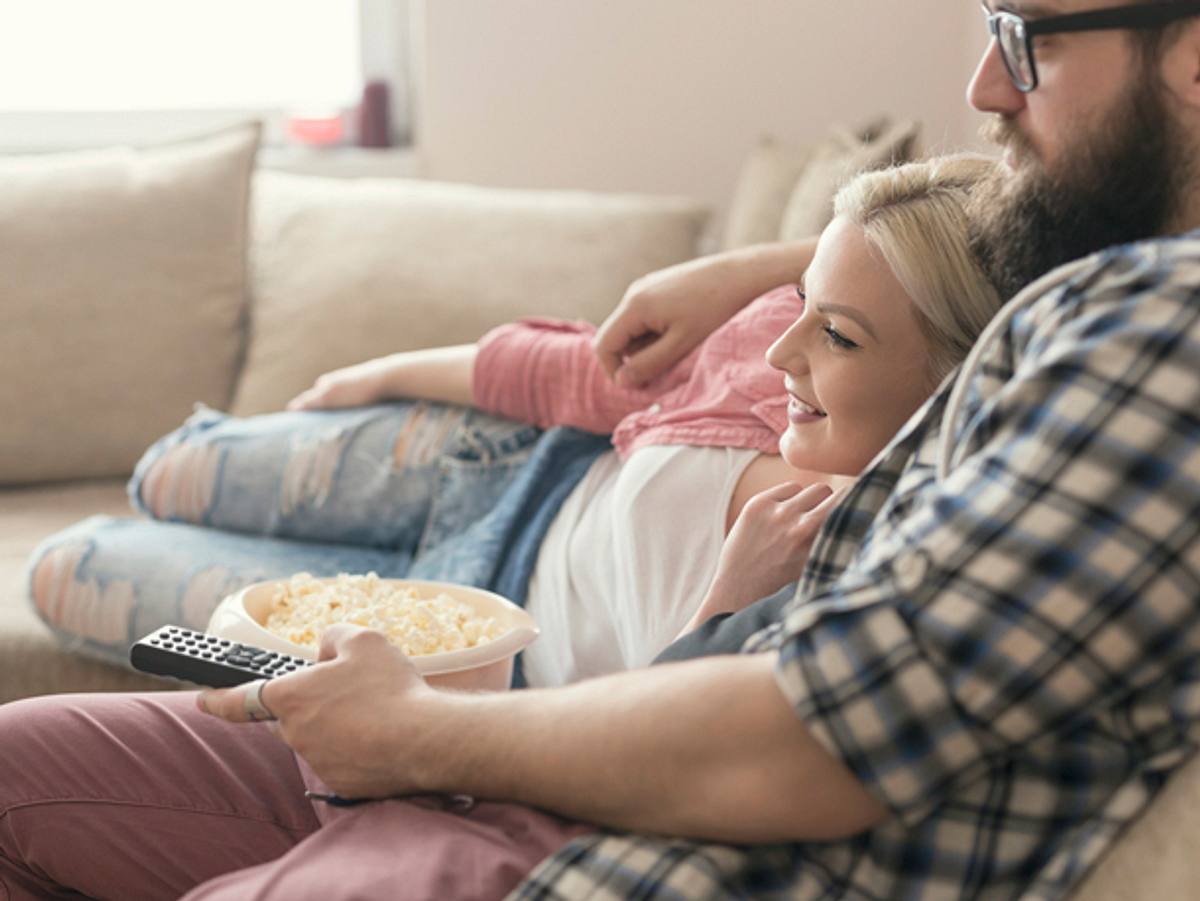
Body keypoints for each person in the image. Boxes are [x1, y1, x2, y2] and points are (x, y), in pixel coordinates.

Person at [4, 2, 1200, 899]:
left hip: (574, 816)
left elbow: (809, 738)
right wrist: (768, 264)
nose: (986, 84)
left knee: (94, 569)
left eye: (1024, 33)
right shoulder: (1076, 298)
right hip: (531, 740)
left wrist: (414, 726)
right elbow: (942, 229)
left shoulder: (1158, 323)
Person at [27, 156, 999, 689]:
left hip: (465, 652)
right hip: (496, 468)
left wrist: (727, 608)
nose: (789, 352)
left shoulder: (893, 549)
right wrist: (372, 375)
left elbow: (658, 745)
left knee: (69, 564)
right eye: (801, 309)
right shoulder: (767, 348)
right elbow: (583, 372)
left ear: (960, 378)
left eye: (836, 336)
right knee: (174, 464)